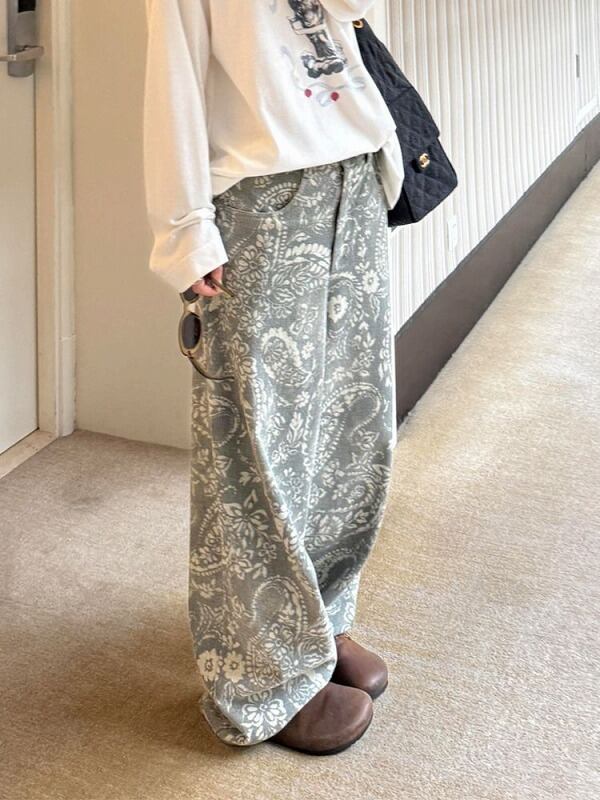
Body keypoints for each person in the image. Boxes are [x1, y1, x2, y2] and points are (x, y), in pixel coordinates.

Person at [142, 0, 405, 756]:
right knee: (255, 451)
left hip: (352, 176)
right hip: (260, 200)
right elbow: (173, 74)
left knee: (351, 432)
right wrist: (184, 228)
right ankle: (262, 678)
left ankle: (318, 622)